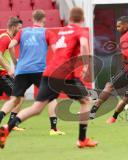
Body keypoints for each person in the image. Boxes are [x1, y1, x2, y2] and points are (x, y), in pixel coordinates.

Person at [0, 7, 98, 149]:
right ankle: (81, 139)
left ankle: (7, 128)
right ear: (82, 19)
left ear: (69, 18)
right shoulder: (79, 31)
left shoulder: (62, 31)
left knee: (36, 107)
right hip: (64, 73)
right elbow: (83, 46)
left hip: (49, 72)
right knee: (86, 101)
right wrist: (85, 66)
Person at [0, 10, 65, 135]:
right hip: (38, 70)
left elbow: (10, 45)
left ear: (32, 19)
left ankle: (6, 124)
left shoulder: (22, 32)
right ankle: (54, 129)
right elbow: (56, 51)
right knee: (51, 98)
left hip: (22, 70)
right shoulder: (47, 32)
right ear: (44, 19)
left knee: (14, 99)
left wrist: (15, 62)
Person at [0, 17, 24, 131]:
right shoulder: (5, 38)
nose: (20, 31)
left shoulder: (9, 39)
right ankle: (11, 124)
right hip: (2, 74)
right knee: (19, 96)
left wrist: (16, 67)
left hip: (3, 74)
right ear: (13, 27)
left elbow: (12, 57)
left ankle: (11, 124)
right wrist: (9, 69)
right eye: (19, 28)